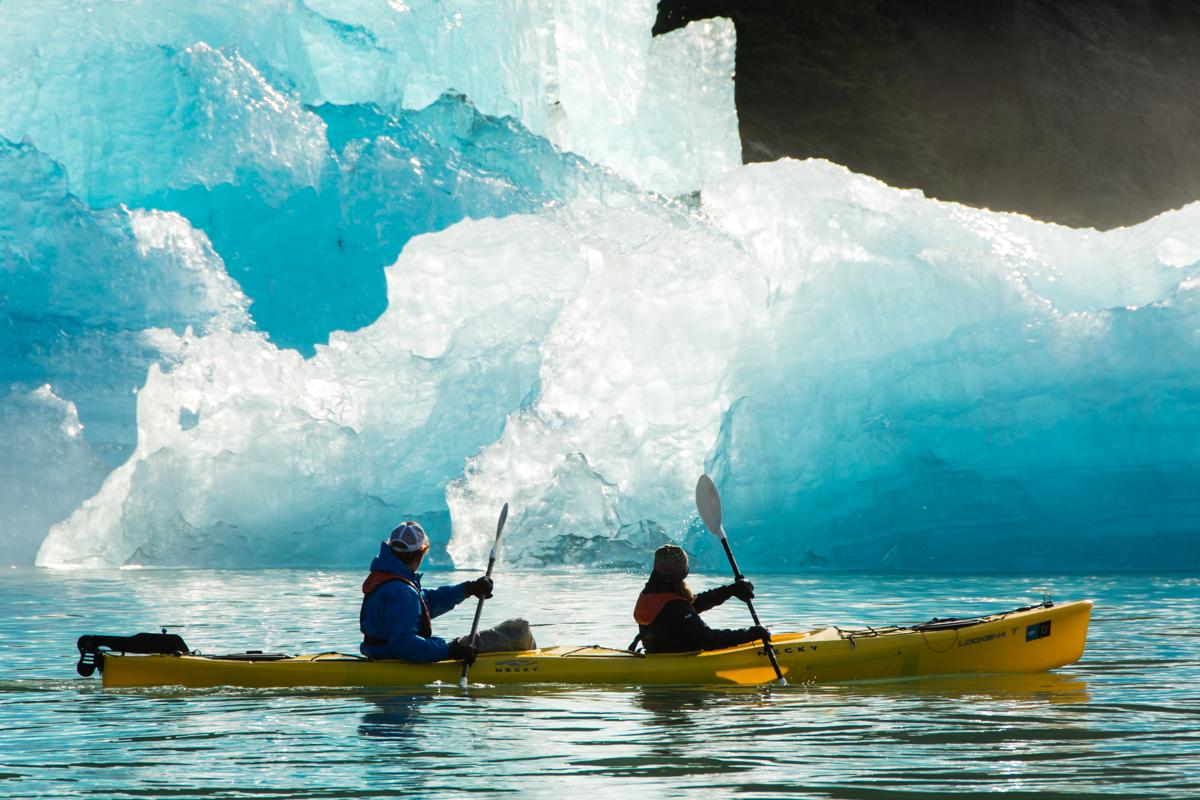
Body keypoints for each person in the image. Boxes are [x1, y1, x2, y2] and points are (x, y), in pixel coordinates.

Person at [360, 521, 493, 663]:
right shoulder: (401, 591)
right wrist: (448, 651)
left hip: (380, 654)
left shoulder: (390, 580)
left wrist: (468, 588)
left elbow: (427, 602)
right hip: (395, 659)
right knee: (512, 632)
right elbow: (404, 645)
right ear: (420, 554)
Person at [632, 544, 769, 653]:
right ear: (683, 570)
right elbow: (707, 639)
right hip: (677, 658)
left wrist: (730, 590)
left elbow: (692, 605)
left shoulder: (652, 592)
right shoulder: (674, 605)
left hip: (659, 652)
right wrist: (750, 634)